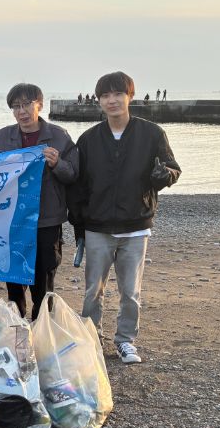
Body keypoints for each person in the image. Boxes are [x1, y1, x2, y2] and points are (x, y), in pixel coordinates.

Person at [71, 71, 181, 364]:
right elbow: (80, 185)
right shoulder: (89, 139)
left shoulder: (152, 133)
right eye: (105, 96)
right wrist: (79, 225)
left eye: (118, 94)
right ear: (98, 101)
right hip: (97, 226)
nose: (112, 100)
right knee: (93, 289)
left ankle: (125, 341)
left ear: (130, 96)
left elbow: (172, 168)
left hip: (136, 225)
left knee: (130, 291)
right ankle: (92, 340)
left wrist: (164, 175)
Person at [0, 84, 78, 319]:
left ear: (39, 105)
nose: (21, 111)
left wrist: (57, 164)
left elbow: (74, 174)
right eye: (16, 106)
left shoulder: (58, 135)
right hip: (12, 220)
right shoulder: (3, 136)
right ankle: (17, 326)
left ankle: (43, 325)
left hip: (47, 219)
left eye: (26, 104)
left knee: (44, 278)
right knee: (13, 278)